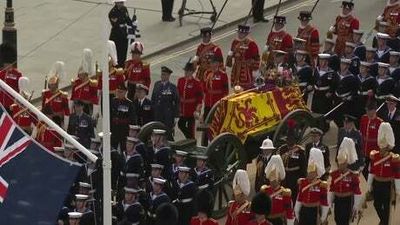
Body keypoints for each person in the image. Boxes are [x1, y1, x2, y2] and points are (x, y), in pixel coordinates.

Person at [367, 122, 400, 225]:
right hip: (377, 183)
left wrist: (398, 190)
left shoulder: (393, 158)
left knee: (386, 207)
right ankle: (383, 221)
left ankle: (384, 223)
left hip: (387, 185)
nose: (381, 149)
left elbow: (397, 175)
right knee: (376, 204)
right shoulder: (374, 156)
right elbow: (371, 171)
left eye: (383, 147)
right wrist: (368, 187)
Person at [328, 138, 362, 225]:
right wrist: (329, 202)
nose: (340, 166)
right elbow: (332, 188)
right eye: (339, 164)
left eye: (342, 164)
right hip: (338, 200)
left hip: (347, 201)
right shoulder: (334, 174)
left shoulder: (352, 175)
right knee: (337, 219)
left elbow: (357, 191)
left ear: (346, 163)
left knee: (346, 221)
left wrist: (356, 205)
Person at [294, 148, 329, 225]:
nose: (309, 174)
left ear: (316, 173)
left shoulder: (321, 185)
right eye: (309, 172)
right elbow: (299, 198)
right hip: (304, 211)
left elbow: (324, 202)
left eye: (311, 172)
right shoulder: (303, 182)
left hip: (314, 212)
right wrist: (296, 212)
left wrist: (323, 217)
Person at [277, 120, 307, 203]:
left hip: (295, 178)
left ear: (294, 140)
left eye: (291, 139)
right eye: (288, 139)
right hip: (284, 178)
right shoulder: (282, 149)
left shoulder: (300, 151)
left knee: (294, 198)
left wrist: (302, 180)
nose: (289, 141)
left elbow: (303, 167)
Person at [260, 155, 295, 225]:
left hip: (278, 221)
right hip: (266, 220)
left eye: (274, 181)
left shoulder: (284, 192)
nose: (272, 183)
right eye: (271, 181)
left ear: (279, 181)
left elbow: (289, 211)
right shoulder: (265, 190)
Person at [226, 25, 260, 90]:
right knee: (236, 88)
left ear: (246, 33)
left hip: (246, 70)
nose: (240, 34)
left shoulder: (251, 43)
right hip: (236, 68)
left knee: (247, 88)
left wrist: (255, 70)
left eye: (242, 33)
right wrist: (230, 57)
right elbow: (232, 53)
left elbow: (256, 58)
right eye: (239, 32)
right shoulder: (235, 42)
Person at [177, 60, 203, 139]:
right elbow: (178, 95)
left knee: (191, 129)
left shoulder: (196, 83)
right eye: (185, 71)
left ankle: (191, 140)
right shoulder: (181, 80)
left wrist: (197, 110)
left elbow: (200, 98)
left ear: (192, 72)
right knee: (180, 124)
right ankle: (190, 139)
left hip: (191, 110)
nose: (186, 73)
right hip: (183, 109)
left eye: (188, 71)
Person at [152, 66, 180, 139]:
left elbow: (177, 101)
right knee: (157, 132)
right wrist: (153, 110)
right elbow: (153, 98)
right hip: (158, 113)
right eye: (162, 74)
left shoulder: (172, 87)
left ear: (168, 76)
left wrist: (176, 115)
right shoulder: (157, 84)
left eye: (164, 74)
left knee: (167, 133)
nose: (162, 76)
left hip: (167, 114)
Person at [42, 61, 70, 128]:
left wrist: (66, 124)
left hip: (57, 120)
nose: (51, 86)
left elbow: (66, 110)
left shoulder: (62, 95)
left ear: (56, 85)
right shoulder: (45, 94)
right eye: (50, 84)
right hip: (47, 119)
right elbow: (43, 106)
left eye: (53, 85)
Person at [71, 49, 99, 116]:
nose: (79, 75)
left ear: (85, 74)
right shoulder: (76, 82)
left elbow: (95, 99)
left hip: (86, 108)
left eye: (80, 74)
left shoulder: (92, 84)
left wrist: (94, 113)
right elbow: (73, 96)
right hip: (77, 106)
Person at [359, 101, 383, 179]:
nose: (367, 112)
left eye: (369, 110)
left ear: (374, 110)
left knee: (374, 170)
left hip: (374, 151)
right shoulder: (364, 118)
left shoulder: (379, 122)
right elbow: (361, 133)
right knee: (364, 170)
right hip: (365, 151)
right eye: (366, 110)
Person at [333, 58, 360, 126]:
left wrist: (350, 97)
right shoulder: (336, 75)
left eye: (344, 65)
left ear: (348, 66)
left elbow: (355, 91)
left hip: (345, 103)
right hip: (336, 100)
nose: (342, 66)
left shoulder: (352, 78)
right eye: (341, 64)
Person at [110, 83, 136, 152]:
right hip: (114, 129)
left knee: (123, 149)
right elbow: (110, 116)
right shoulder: (113, 101)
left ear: (125, 92)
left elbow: (132, 119)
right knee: (112, 149)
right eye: (118, 91)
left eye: (121, 92)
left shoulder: (129, 103)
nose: (119, 93)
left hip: (124, 130)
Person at [109, 0, 132, 67]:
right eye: (120, 2)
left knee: (123, 54)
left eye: (122, 2)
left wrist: (132, 23)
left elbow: (127, 19)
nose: (122, 4)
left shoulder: (124, 9)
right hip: (116, 36)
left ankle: (122, 68)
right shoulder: (112, 13)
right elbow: (116, 25)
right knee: (117, 55)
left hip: (124, 35)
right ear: (116, 3)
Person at [0, 43, 22, 112]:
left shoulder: (17, 74)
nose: (7, 66)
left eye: (9, 64)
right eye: (6, 64)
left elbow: (20, 91)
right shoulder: (1, 72)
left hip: (10, 106)